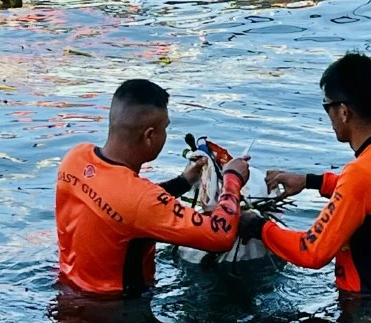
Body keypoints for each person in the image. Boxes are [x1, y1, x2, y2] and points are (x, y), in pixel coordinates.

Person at [241, 52, 371, 295]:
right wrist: (310, 181)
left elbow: (311, 252)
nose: (329, 118)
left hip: (367, 308)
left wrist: (257, 226)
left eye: (327, 107)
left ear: (344, 112)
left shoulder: (361, 174)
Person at [55, 78, 249, 297]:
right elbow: (220, 236)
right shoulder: (140, 199)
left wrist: (183, 182)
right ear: (149, 135)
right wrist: (233, 178)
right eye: (164, 128)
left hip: (67, 289)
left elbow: (125, 205)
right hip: (115, 312)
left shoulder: (76, 157)